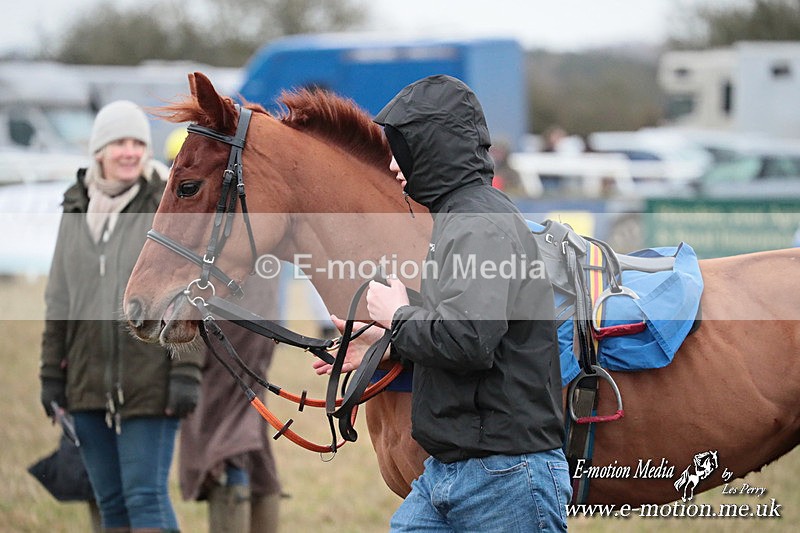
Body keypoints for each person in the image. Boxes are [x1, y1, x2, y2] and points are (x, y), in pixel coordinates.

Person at [315, 75, 570, 531]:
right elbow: (458, 325)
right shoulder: (460, 218)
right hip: (449, 473)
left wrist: (397, 315)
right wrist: (389, 339)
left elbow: (471, 340)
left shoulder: (478, 223)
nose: (392, 165)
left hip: (505, 478)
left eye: (400, 149)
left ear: (431, 147)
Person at [39, 100, 203, 532]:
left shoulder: (163, 203)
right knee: (110, 504)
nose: (130, 152)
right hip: (87, 385)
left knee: (145, 498)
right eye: (119, 143)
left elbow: (191, 294)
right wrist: (49, 378)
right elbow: (58, 299)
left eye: (137, 143)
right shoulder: (75, 207)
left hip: (150, 380)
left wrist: (186, 374)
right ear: (100, 151)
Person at [178, 276, 283, 533]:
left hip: (229, 313)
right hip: (253, 308)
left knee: (227, 443)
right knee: (247, 435)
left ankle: (233, 491)